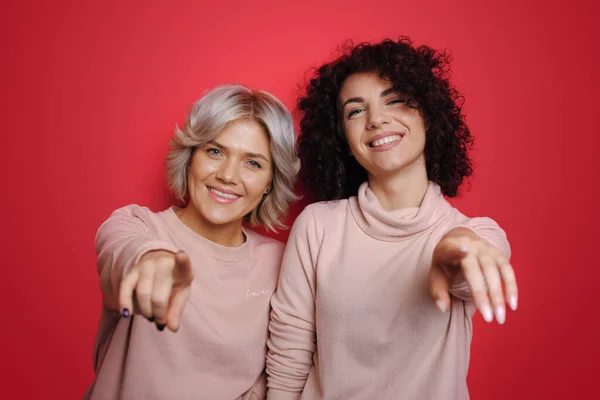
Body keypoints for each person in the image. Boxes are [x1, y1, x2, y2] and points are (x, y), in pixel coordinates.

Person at [266, 38, 519, 399]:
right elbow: (289, 356)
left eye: (395, 100)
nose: (376, 120)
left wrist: (455, 254)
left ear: (427, 115)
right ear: (343, 138)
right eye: (355, 111)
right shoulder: (318, 226)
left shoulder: (474, 232)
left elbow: (469, 262)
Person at [85, 84, 299, 400]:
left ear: (270, 182)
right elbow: (120, 250)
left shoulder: (283, 262)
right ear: (190, 158)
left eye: (252, 163)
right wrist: (150, 259)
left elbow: (287, 368)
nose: (228, 175)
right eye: (215, 151)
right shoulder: (139, 225)